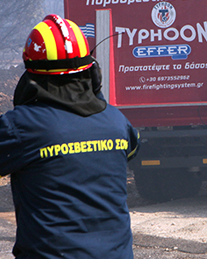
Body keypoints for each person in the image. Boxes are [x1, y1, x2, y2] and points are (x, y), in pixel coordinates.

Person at [0, 14, 139, 258]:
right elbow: (129, 150)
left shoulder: (20, 127)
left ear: (31, 74)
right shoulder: (117, 122)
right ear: (91, 71)